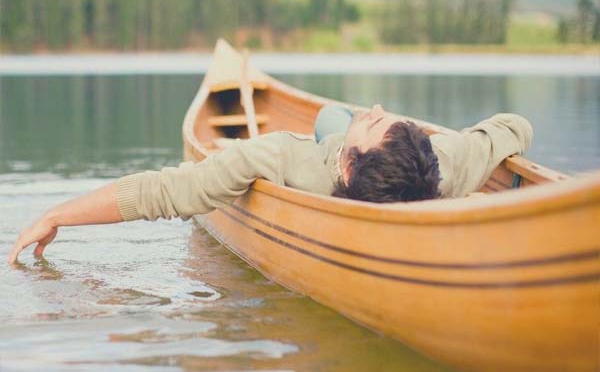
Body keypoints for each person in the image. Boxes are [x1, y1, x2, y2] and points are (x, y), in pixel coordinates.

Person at [7, 104, 532, 264]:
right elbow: (514, 126)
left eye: (375, 121)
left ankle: (336, 120)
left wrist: (56, 214)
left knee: (331, 116)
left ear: (350, 169)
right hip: (378, 150)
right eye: (382, 115)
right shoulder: (445, 164)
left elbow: (164, 191)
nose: (374, 108)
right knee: (336, 116)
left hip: (329, 139)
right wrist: (431, 141)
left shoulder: (277, 155)